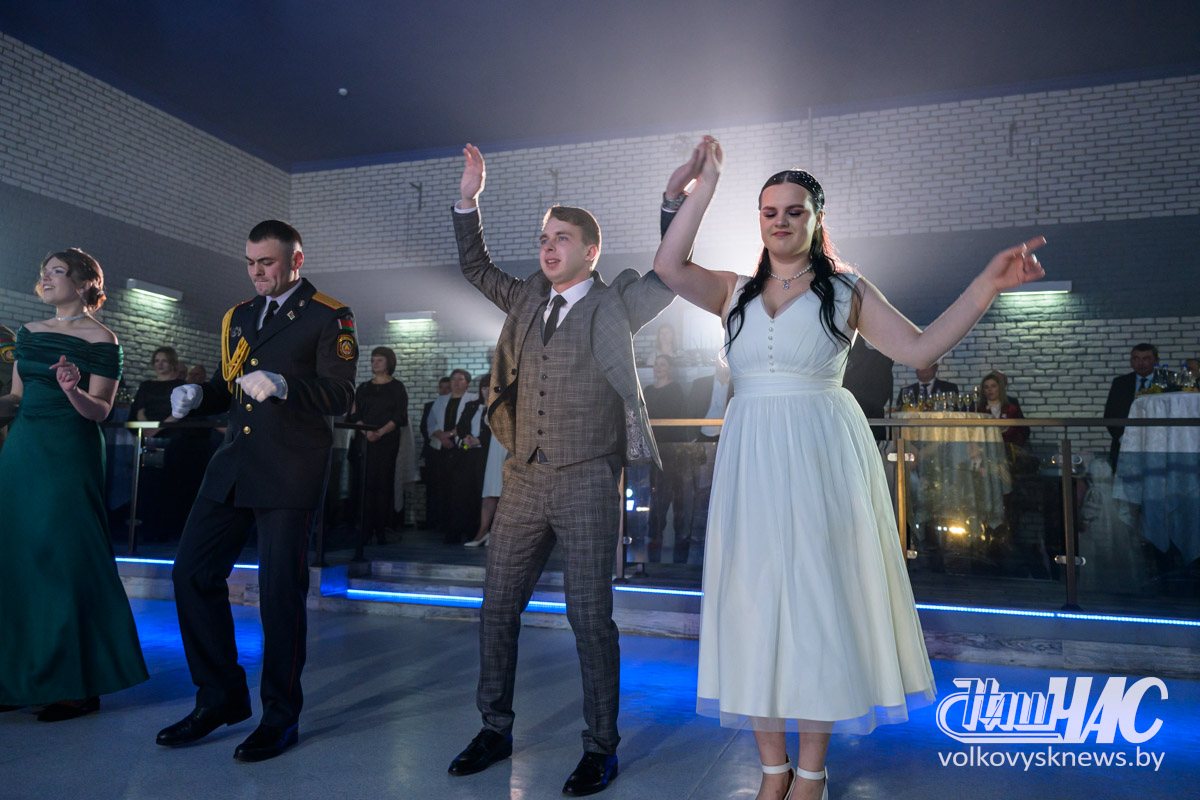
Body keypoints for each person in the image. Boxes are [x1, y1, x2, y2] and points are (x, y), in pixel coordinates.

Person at [652, 137, 1045, 800]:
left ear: (816, 219)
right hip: (751, 465)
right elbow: (668, 265)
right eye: (769, 211)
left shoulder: (846, 291)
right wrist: (703, 184)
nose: (781, 221)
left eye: (794, 211)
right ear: (758, 220)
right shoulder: (732, 291)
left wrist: (986, 286)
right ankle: (772, 771)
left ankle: (811, 773)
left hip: (821, 458)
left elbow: (920, 346)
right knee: (753, 608)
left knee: (816, 609)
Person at [445, 143, 674, 796]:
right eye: (544, 239)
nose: (548, 248)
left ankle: (601, 747)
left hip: (588, 479)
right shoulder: (525, 297)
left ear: (591, 251)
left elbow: (667, 275)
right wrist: (469, 200)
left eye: (561, 239)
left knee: (590, 618)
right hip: (523, 477)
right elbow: (475, 265)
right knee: (496, 609)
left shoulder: (615, 303)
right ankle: (494, 728)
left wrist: (671, 206)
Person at [155, 220, 357, 762]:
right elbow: (232, 384)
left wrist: (287, 385)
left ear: (296, 261)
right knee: (191, 572)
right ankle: (218, 696)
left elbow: (341, 394)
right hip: (234, 465)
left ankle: (279, 716)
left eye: (266, 262)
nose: (256, 271)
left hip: (289, 469)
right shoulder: (239, 316)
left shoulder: (329, 315)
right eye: (250, 262)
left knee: (279, 594)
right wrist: (199, 394)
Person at [0, 249, 148, 720]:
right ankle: (18, 679)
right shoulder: (28, 332)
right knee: (19, 557)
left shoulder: (103, 339)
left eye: (57, 272)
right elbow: (16, 398)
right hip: (23, 451)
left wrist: (72, 390)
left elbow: (100, 411)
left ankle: (74, 685)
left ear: (85, 284)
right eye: (43, 272)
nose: (46, 278)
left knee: (65, 558)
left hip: (70, 452)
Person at [349, 346, 409, 547]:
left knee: (383, 484)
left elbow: (400, 415)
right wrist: (366, 432)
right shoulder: (363, 388)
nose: (375, 363)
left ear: (389, 363)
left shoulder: (397, 387)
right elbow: (355, 414)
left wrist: (380, 432)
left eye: (379, 360)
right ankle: (364, 529)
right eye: (373, 360)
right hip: (365, 441)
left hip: (386, 442)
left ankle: (382, 529)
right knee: (364, 484)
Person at [643, 354, 687, 562]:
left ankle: (678, 541)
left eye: (662, 364)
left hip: (670, 452)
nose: (658, 368)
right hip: (652, 450)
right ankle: (654, 537)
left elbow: (677, 417)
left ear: (670, 368)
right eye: (656, 364)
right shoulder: (647, 390)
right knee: (655, 495)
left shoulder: (676, 389)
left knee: (670, 495)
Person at [425, 368, 478, 542]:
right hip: (442, 448)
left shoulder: (473, 399)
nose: (456, 382)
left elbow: (468, 423)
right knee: (444, 488)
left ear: (467, 382)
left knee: (462, 490)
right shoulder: (440, 400)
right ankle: (447, 527)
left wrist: (451, 434)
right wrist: (441, 436)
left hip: (463, 449)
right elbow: (431, 422)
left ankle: (464, 527)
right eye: (454, 379)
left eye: (460, 379)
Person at [1104, 342, 1157, 468]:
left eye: (1146, 358)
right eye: (1136, 358)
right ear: (1131, 361)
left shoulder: (1166, 382)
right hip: (1124, 445)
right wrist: (1123, 438)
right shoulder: (1120, 383)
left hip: (1157, 445)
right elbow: (1111, 414)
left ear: (1156, 361)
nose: (1140, 363)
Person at [418, 376, 452, 529]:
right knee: (431, 487)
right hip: (432, 452)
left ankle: (446, 521)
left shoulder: (457, 406)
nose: (444, 391)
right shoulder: (429, 406)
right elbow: (424, 428)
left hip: (449, 451)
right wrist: (439, 439)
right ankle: (431, 520)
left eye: (447, 388)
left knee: (448, 487)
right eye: (441, 388)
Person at [976, 370, 1028, 449]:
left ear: (1000, 388)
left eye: (993, 386)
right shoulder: (977, 409)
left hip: (1008, 449)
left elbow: (1023, 432)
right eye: (986, 387)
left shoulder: (1011, 409)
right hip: (984, 448)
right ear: (983, 391)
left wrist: (1006, 430)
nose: (990, 390)